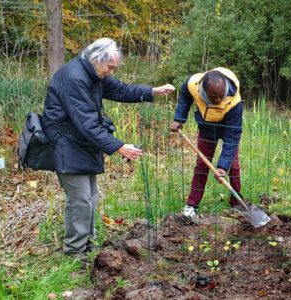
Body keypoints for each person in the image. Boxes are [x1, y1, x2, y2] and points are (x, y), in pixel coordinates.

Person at [42, 38, 175, 261]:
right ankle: (75, 252)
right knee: (80, 199)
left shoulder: (95, 74)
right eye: (110, 67)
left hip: (82, 144)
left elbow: (123, 90)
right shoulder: (74, 79)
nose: (111, 72)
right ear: (97, 59)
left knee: (91, 197)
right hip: (67, 144)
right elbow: (87, 124)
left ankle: (89, 244)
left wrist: (153, 91)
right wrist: (119, 147)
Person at [170, 67, 244, 222]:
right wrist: (179, 118)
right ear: (203, 89)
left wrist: (222, 166)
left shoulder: (234, 101)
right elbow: (185, 96)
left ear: (225, 86)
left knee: (233, 166)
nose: (218, 100)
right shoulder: (193, 85)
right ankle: (192, 206)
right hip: (206, 129)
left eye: (220, 95)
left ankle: (237, 204)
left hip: (227, 128)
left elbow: (232, 138)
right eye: (213, 97)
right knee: (202, 166)